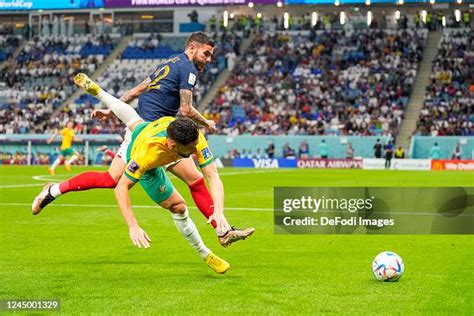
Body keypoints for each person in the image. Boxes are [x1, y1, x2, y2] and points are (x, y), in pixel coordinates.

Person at [32, 32, 254, 247]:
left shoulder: (170, 63)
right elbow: (185, 110)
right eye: (206, 53)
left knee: (195, 180)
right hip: (145, 135)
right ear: (192, 48)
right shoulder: (188, 68)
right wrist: (207, 123)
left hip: (165, 132)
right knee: (112, 180)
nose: (209, 59)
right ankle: (53, 190)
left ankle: (222, 231)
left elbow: (139, 88)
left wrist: (112, 110)